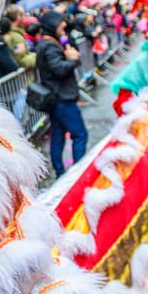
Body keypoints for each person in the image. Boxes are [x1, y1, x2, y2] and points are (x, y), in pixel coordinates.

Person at [36, 9, 88, 177]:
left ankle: (60, 172)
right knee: (80, 134)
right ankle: (79, 173)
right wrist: (72, 59)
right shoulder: (49, 45)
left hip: (57, 98)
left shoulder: (49, 43)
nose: (64, 25)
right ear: (52, 24)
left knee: (58, 136)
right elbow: (58, 69)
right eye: (60, 22)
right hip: (62, 99)